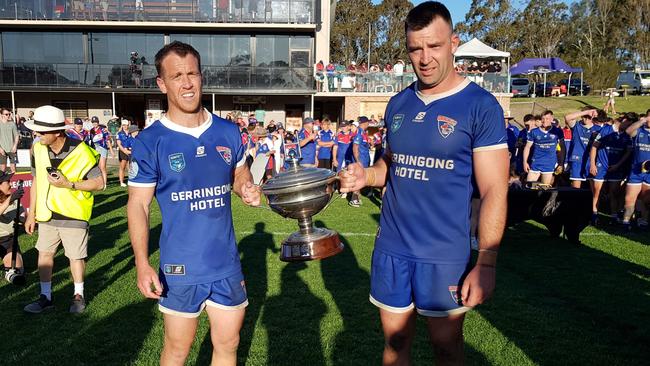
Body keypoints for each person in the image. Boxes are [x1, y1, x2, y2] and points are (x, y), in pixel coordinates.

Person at [338, 2, 508, 364]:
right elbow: (391, 165)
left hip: (445, 254)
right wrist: (364, 176)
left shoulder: (481, 106)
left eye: (434, 46)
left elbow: (495, 188)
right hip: (392, 248)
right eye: (415, 48)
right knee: (395, 345)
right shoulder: (398, 104)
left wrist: (487, 262)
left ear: (454, 43)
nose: (425, 57)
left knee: (446, 350)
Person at [127, 41, 261, 366]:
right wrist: (143, 264)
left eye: (192, 74)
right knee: (177, 349)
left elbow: (240, 172)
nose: (186, 83)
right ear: (162, 83)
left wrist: (245, 187)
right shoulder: (150, 141)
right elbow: (138, 206)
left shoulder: (228, 132)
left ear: (201, 76)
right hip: (180, 267)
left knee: (228, 344)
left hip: (226, 263)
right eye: (176, 76)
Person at [23, 105, 103, 314]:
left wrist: (69, 184)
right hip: (46, 214)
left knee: (75, 257)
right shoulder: (38, 148)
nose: (37, 134)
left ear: (57, 132)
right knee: (44, 254)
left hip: (73, 213)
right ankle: (45, 297)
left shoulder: (82, 150)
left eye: (41, 130)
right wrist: (31, 214)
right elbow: (36, 180)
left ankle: (78, 295)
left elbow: (99, 183)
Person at [589, 114, 632, 225]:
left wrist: (618, 165)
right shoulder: (605, 130)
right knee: (597, 192)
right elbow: (594, 147)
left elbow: (628, 152)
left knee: (614, 193)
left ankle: (613, 217)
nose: (630, 126)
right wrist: (593, 164)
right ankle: (594, 215)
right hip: (601, 166)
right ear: (624, 121)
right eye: (629, 123)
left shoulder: (627, 135)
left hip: (616, 168)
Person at [621, 110, 650, 230]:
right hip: (636, 171)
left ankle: (643, 221)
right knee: (629, 199)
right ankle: (626, 222)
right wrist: (642, 120)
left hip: (649, 173)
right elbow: (628, 131)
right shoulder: (640, 130)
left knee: (647, 200)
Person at [523, 110, 565, 186]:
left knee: (544, 189)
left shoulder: (557, 131)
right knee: (529, 187)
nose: (544, 121)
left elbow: (562, 148)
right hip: (535, 164)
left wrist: (561, 163)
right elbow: (527, 147)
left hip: (549, 164)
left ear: (552, 119)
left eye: (547, 118)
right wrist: (525, 162)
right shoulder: (534, 132)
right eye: (543, 118)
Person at [564, 108, 601, 189]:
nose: (586, 118)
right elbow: (567, 117)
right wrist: (586, 112)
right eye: (584, 116)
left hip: (591, 161)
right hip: (577, 160)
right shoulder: (576, 125)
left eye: (589, 117)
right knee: (576, 187)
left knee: (594, 188)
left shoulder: (598, 129)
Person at [0, 171, 25, 285]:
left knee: (17, 271)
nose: (11, 184)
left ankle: (9, 273)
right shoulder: (12, 198)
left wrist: (24, 221)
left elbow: (22, 217)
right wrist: (10, 199)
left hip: (8, 241)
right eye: (8, 182)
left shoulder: (14, 198)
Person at [349, 116, 370, 207]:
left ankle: (357, 197)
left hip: (364, 160)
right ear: (365, 123)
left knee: (361, 179)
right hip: (360, 161)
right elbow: (355, 148)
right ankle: (354, 199)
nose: (368, 124)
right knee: (358, 179)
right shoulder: (359, 133)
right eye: (368, 122)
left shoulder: (363, 133)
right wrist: (358, 161)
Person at [89, 116, 114, 189]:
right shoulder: (91, 131)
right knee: (98, 167)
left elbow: (108, 140)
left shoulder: (103, 130)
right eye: (93, 122)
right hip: (95, 149)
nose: (94, 123)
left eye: (96, 122)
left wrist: (111, 150)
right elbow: (90, 140)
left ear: (98, 122)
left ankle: (105, 184)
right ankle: (101, 182)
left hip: (102, 148)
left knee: (102, 167)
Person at [0, 108, 20, 173]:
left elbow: (16, 136)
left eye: (9, 114)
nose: (8, 115)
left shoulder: (12, 124)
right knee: (2, 170)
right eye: (6, 114)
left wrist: (15, 146)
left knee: (13, 170)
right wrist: (0, 149)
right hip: (2, 150)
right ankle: (3, 183)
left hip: (12, 149)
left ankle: (13, 183)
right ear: (2, 115)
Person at [116, 120, 133, 187]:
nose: (125, 126)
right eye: (124, 125)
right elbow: (119, 144)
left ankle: (131, 180)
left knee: (130, 166)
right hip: (122, 151)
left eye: (126, 125)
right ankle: (121, 182)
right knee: (122, 166)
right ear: (122, 125)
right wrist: (124, 151)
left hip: (130, 150)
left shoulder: (130, 132)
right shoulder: (119, 133)